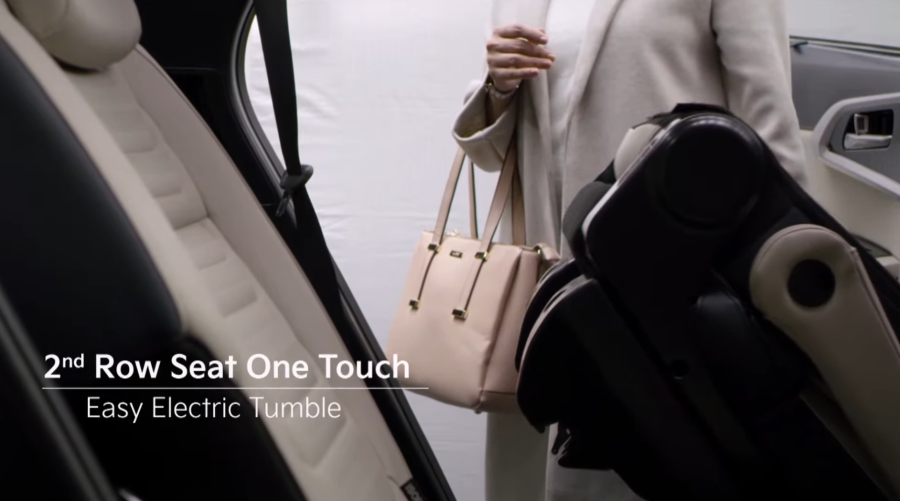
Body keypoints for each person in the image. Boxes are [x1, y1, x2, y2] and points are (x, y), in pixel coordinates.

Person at [452, 0, 808, 499]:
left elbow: (770, 127)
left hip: (671, 268)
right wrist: (498, 87)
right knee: (549, 461)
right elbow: (492, 155)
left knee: (654, 455)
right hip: (548, 273)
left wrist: (784, 271)